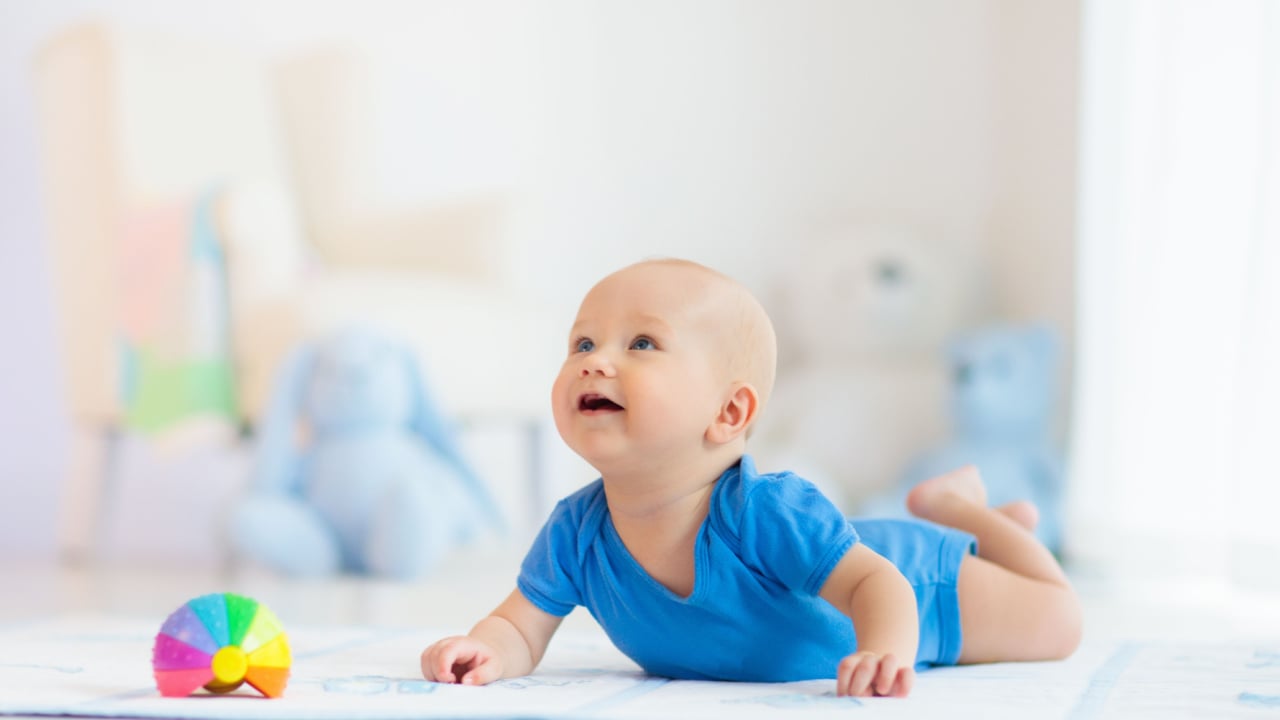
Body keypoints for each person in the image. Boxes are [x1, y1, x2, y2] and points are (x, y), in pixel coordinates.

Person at [420, 258, 1082, 697]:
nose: (596, 363)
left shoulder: (763, 510)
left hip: (923, 587)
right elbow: (520, 627)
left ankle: (967, 513)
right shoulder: (576, 531)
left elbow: (875, 581)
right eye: (583, 344)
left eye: (641, 344)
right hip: (886, 582)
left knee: (1059, 622)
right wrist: (482, 652)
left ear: (729, 411)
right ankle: (973, 514)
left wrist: (887, 652)